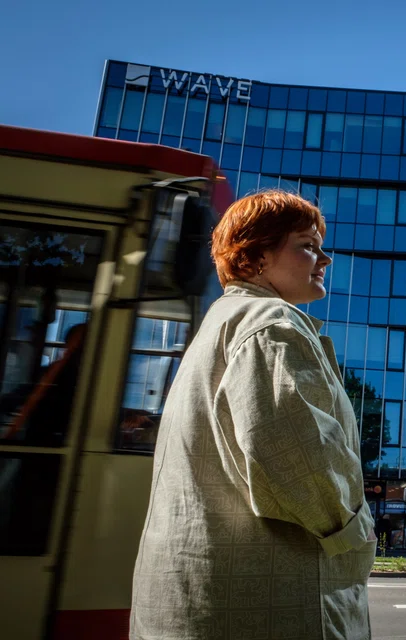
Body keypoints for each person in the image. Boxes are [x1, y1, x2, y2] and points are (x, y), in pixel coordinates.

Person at [130, 190, 376, 640]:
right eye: (307, 245)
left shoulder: (223, 321)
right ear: (253, 257)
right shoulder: (272, 324)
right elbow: (298, 457)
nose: (325, 259)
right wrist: (357, 534)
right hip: (276, 598)